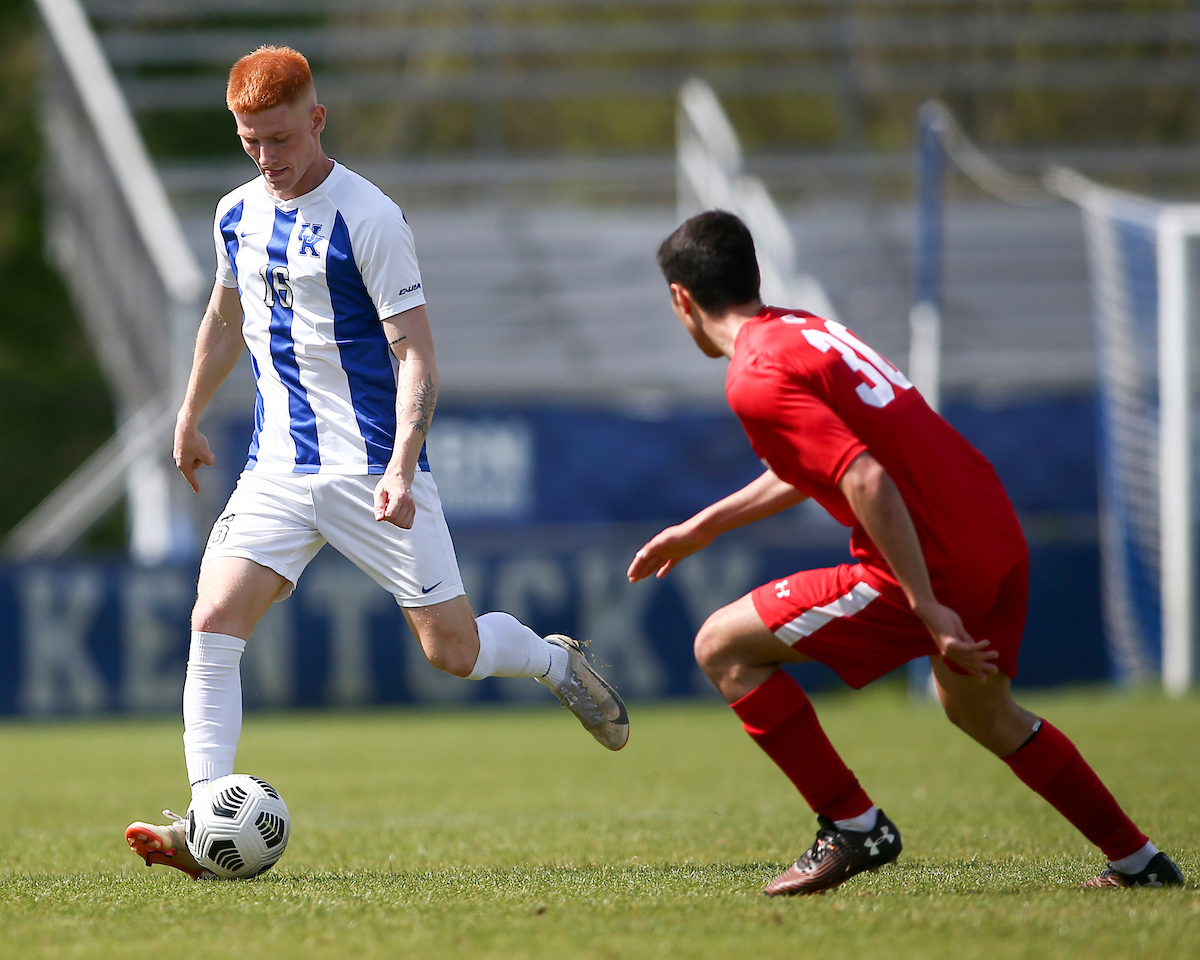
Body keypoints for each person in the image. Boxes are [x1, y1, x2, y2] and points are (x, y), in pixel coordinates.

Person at [126, 46, 627, 880]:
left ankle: (552, 660)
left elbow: (417, 355)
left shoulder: (370, 217)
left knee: (452, 652)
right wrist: (187, 414)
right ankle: (208, 826)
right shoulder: (235, 214)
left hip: (370, 469)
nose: (266, 157)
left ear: (316, 119)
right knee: (212, 621)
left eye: (280, 138)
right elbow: (225, 315)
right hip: (277, 469)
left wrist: (401, 465)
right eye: (250, 141)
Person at [627, 209, 1184, 896]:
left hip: (933, 563)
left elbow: (864, 479)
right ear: (753, 274)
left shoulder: (755, 374)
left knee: (721, 646)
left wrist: (926, 605)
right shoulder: (803, 330)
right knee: (983, 712)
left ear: (681, 298)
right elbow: (827, 462)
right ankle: (1139, 861)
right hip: (992, 530)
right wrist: (704, 526)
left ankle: (853, 824)